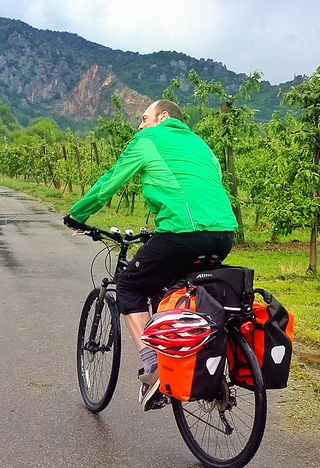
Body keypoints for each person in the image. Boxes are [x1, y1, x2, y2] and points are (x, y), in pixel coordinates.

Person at [64, 99, 238, 410]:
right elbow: (202, 188)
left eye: (145, 118)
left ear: (164, 117)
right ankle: (196, 362)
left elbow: (110, 182)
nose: (140, 125)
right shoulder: (203, 147)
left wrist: (77, 215)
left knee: (130, 287)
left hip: (184, 232)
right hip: (224, 233)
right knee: (176, 290)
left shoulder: (147, 140)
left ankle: (153, 367)